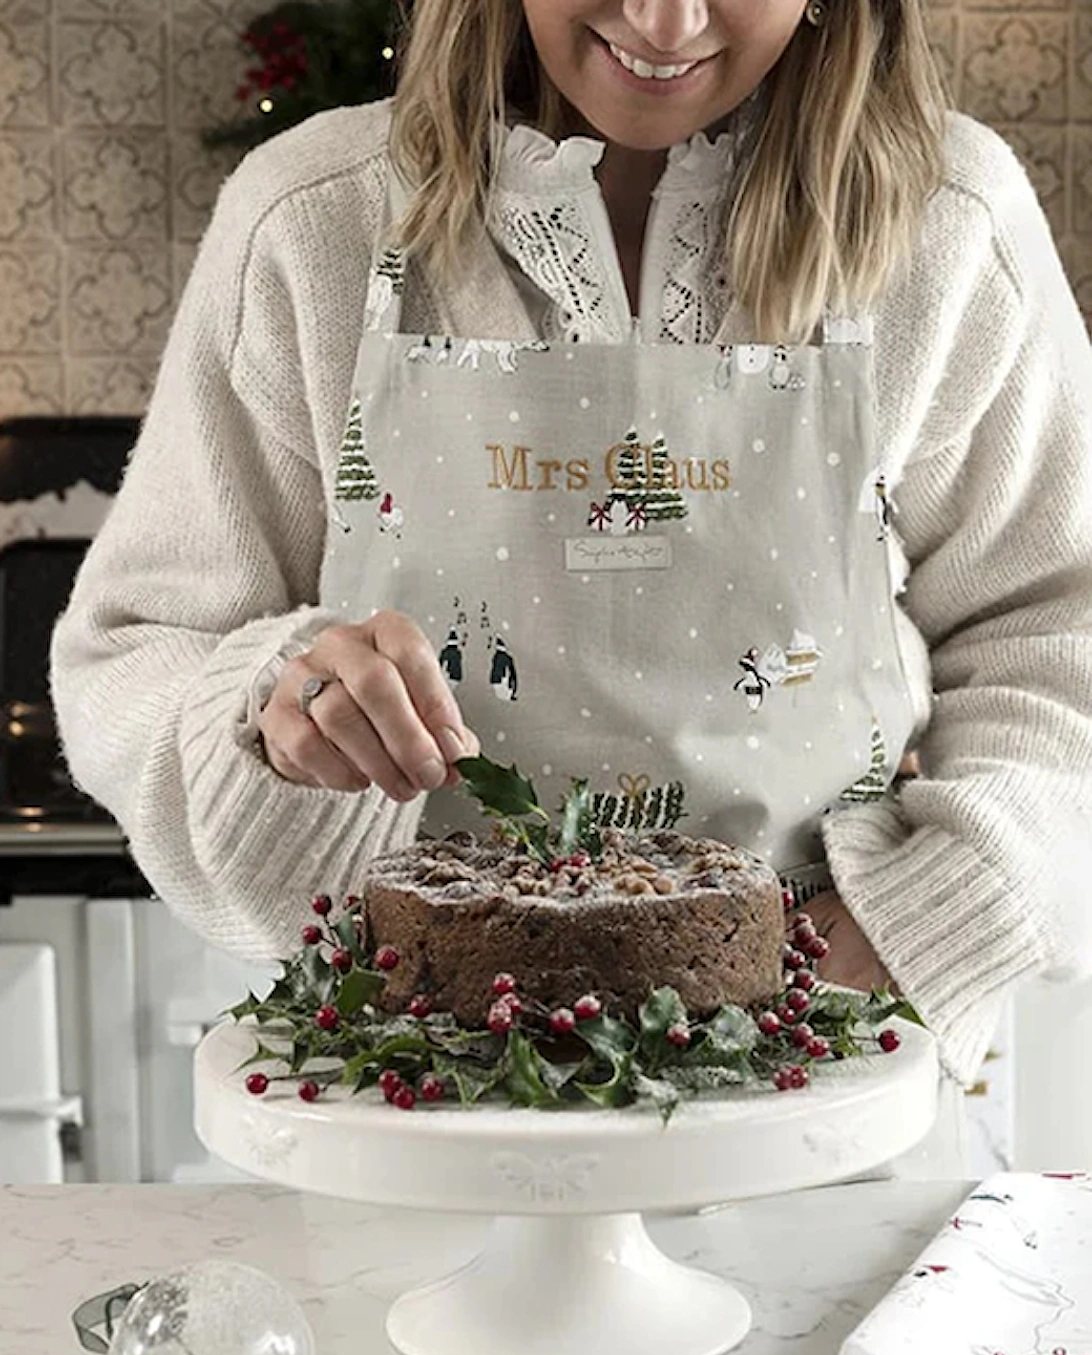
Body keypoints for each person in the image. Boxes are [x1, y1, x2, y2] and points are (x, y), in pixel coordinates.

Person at [51, 0, 1092, 1115]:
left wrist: (930, 912)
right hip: (419, 1087)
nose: (665, 19)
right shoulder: (313, 220)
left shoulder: (946, 224)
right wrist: (277, 710)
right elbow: (136, 650)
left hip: (817, 1071)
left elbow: (1054, 621)